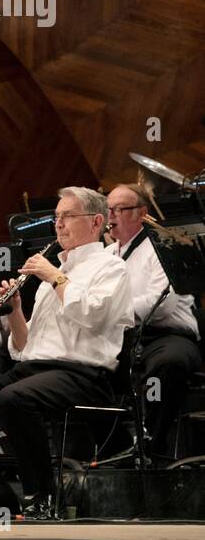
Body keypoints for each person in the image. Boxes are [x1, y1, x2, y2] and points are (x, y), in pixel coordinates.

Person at [0, 187, 133, 519]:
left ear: (96, 222)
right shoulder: (56, 273)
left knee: (15, 397)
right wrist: (14, 311)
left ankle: (43, 497)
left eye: (67, 217)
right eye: (57, 217)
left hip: (82, 374)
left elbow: (92, 314)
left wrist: (54, 276)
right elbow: (24, 347)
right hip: (33, 371)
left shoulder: (111, 268)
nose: (58, 225)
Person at [106, 183, 200, 461]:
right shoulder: (107, 254)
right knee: (86, 367)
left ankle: (153, 443)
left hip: (168, 336)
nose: (111, 215)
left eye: (120, 209)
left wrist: (109, 310)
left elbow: (162, 303)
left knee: (167, 364)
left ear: (142, 213)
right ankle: (115, 447)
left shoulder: (163, 245)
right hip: (125, 337)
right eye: (108, 209)